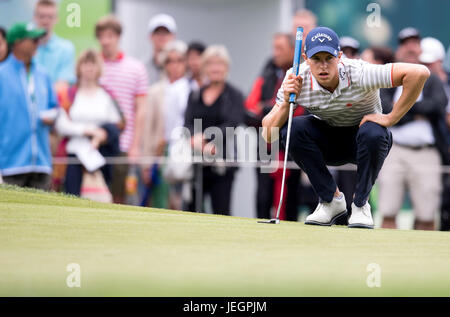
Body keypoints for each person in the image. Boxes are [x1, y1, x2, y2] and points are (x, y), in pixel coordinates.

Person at [262, 26, 430, 229]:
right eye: (316, 59)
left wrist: (390, 118)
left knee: (373, 131)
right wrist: (288, 103)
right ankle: (331, 200)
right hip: (329, 142)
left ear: (339, 56)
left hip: (365, 141)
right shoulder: (296, 77)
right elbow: (268, 135)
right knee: (293, 128)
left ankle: (360, 205)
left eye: (329, 58)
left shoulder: (360, 72)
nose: (323, 66)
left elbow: (419, 73)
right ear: (306, 58)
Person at [377, 29, 448, 231]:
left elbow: (437, 106)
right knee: (388, 211)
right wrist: (416, 113)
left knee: (426, 214)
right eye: (405, 43)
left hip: (426, 152)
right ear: (399, 49)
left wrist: (400, 110)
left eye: (414, 43)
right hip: (395, 150)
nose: (410, 47)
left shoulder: (431, 78)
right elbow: (384, 108)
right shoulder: (389, 76)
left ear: (420, 48)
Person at [245, 32, 305, 221]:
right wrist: (275, 109)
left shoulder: (301, 75)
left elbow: (299, 110)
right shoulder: (267, 73)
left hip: (289, 146)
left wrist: (267, 108)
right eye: (274, 48)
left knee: (289, 200)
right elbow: (249, 108)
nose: (275, 53)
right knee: (263, 197)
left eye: (280, 49)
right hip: (265, 146)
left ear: (292, 51)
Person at [184, 45, 245, 215]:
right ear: (204, 67)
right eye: (211, 64)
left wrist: (205, 137)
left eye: (220, 64)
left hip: (223, 163)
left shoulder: (235, 95)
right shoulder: (195, 94)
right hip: (196, 163)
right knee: (193, 210)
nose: (215, 68)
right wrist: (198, 143)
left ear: (227, 68)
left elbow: (233, 123)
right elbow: (187, 123)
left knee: (221, 211)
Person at [54, 50, 124, 196]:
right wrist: (88, 131)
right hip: (74, 153)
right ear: (79, 67)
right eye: (85, 64)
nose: (89, 68)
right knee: (72, 196)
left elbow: (118, 124)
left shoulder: (106, 95)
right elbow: (61, 124)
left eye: (93, 64)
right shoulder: (69, 94)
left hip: (100, 153)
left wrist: (101, 136)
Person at [95, 15, 148, 204]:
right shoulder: (92, 66)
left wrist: (135, 145)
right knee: (94, 196)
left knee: (121, 197)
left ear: (118, 37)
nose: (106, 41)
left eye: (110, 36)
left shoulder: (136, 68)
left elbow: (141, 110)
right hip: (94, 144)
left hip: (124, 145)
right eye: (102, 36)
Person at [0, 22, 57, 190]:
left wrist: (52, 116)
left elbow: (55, 107)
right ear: (17, 43)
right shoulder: (1, 74)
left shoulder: (43, 74)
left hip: (42, 163)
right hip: (9, 163)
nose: (37, 43)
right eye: (32, 40)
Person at [140, 40, 190, 210]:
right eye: (170, 61)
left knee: (187, 199)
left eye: (179, 60)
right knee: (161, 200)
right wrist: (147, 162)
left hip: (187, 148)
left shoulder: (192, 88)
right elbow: (149, 128)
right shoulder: (156, 91)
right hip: (163, 149)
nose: (175, 65)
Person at [417, 37, 450, 231]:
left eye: (430, 62)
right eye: (424, 63)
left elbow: (437, 108)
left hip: (443, 147)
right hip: (436, 148)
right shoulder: (421, 82)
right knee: (428, 202)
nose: (427, 66)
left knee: (438, 204)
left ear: (439, 61)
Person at [33, 0, 76, 87]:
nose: (45, 21)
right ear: (35, 18)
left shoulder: (66, 48)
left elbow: (63, 84)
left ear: (56, 19)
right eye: (42, 16)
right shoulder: (27, 47)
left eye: (50, 17)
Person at [146, 13, 177, 85]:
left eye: (166, 33)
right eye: (158, 33)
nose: (162, 36)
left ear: (174, 36)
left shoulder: (184, 69)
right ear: (150, 36)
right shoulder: (142, 68)